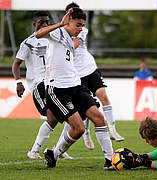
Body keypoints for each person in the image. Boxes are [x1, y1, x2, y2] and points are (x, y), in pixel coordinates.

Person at [35, 8, 113, 169]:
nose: (81, 29)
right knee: (79, 129)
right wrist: (60, 24)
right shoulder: (58, 32)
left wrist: (74, 43)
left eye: (82, 25)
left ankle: (110, 160)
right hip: (58, 90)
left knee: (98, 118)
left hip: (76, 86)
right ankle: (55, 153)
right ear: (68, 21)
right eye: (78, 25)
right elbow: (38, 34)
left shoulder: (72, 38)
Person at [62, 3, 124, 151]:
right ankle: (86, 133)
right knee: (87, 106)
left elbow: (74, 44)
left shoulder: (82, 30)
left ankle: (112, 129)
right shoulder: (60, 32)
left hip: (90, 68)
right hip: (76, 73)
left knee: (103, 95)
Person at [12, 11, 71, 160]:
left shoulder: (53, 38)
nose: (44, 24)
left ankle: (58, 150)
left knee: (73, 114)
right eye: (41, 22)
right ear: (34, 24)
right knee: (52, 117)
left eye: (46, 22)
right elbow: (16, 63)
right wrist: (18, 82)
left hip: (55, 81)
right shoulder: (28, 42)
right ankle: (34, 151)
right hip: (39, 83)